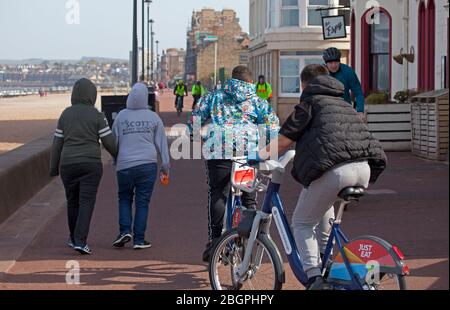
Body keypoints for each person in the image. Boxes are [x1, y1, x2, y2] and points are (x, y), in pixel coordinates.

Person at [255, 64, 387, 289]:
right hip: (363, 168)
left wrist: (256, 156)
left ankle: (314, 278)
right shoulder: (343, 103)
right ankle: (327, 267)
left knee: (302, 222)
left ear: (304, 84)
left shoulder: (309, 104)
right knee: (324, 208)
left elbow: (285, 140)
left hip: (335, 170)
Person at [188, 66, 280, 262]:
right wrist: (268, 148)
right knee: (248, 197)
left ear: (231, 80)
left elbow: (195, 118)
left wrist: (196, 136)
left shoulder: (214, 97)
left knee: (218, 194)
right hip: (247, 154)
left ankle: (214, 242)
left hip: (219, 152)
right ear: (250, 82)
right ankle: (248, 241)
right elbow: (273, 124)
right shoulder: (257, 100)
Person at [49, 78, 118, 255]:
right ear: (92, 95)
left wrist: (53, 168)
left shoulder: (66, 114)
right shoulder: (97, 115)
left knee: (72, 202)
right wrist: (118, 156)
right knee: (86, 202)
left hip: (68, 165)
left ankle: (73, 238)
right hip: (90, 164)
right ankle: (80, 240)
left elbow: (57, 143)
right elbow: (108, 142)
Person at [112, 83, 170, 250]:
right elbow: (162, 144)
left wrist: (116, 160)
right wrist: (165, 166)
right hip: (147, 164)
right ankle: (139, 239)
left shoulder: (121, 116)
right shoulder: (153, 117)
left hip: (124, 165)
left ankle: (124, 231)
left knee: (124, 198)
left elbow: (114, 141)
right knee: (142, 202)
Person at [322, 47, 365, 119]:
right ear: (326, 63)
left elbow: (358, 93)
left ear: (339, 61)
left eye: (336, 62)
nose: (333, 65)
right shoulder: (320, 73)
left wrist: (360, 111)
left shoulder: (348, 72)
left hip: (345, 110)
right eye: (330, 63)